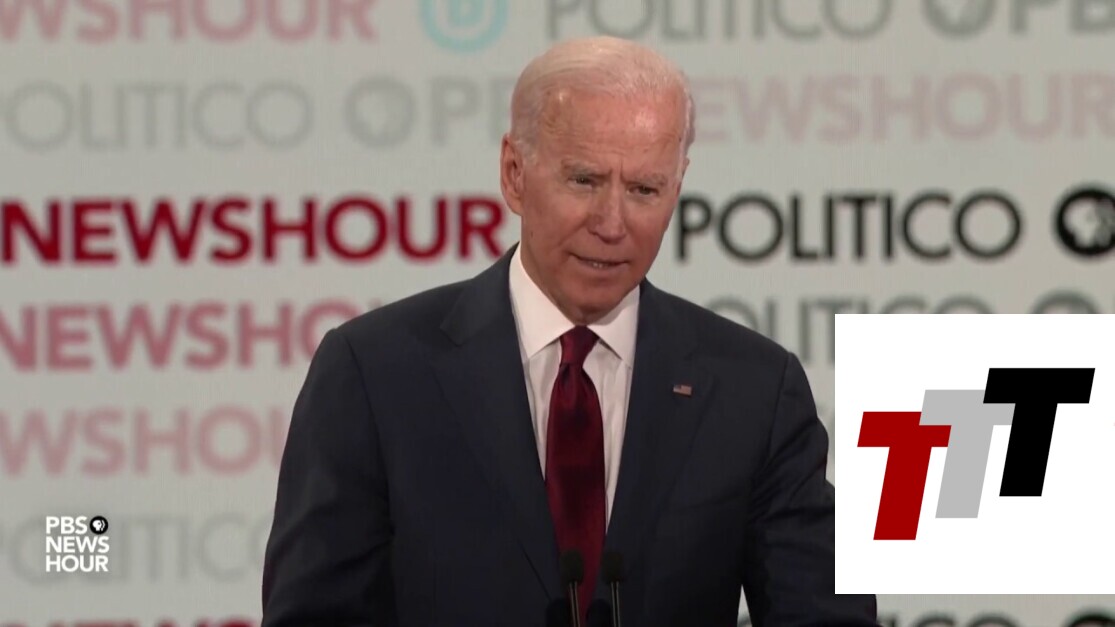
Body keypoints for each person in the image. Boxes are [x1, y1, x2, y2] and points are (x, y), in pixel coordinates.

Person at [260, 36, 878, 627]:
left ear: (677, 188)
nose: (612, 223)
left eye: (644, 189)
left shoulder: (753, 391)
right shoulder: (375, 373)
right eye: (584, 180)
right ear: (514, 173)